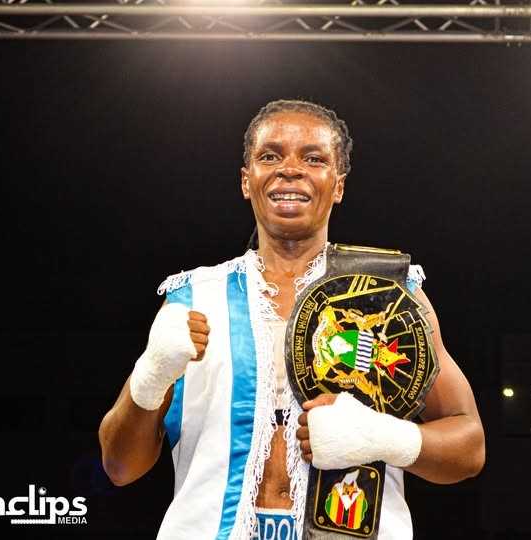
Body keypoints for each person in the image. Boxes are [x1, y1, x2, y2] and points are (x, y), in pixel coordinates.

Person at [98, 99, 485, 540]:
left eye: (313, 158)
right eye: (270, 156)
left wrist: (382, 436)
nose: (290, 169)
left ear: (338, 185)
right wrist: (150, 375)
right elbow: (119, 467)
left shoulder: (389, 296)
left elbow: (469, 447)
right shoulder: (193, 299)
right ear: (246, 180)